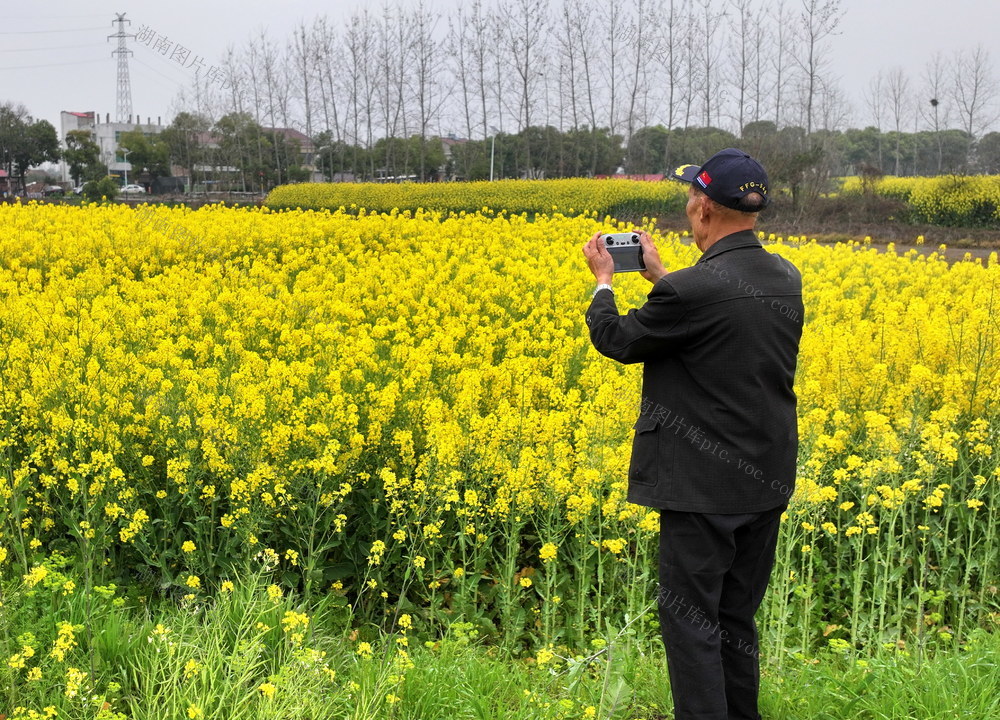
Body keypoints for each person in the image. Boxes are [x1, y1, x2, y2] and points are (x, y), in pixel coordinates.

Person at [581, 148, 804, 720]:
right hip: (765, 479)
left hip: (703, 491)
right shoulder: (785, 277)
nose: (687, 208)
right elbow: (720, 317)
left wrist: (604, 283)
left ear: (704, 208)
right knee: (734, 617)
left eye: (689, 197)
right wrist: (662, 277)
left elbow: (619, 340)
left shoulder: (691, 292)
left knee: (692, 622)